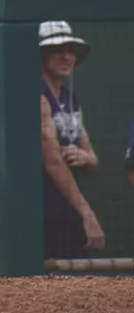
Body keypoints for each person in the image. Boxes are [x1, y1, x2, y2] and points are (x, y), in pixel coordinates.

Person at [37, 20, 105, 258]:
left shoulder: (71, 99)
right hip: (40, 209)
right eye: (57, 50)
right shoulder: (37, 97)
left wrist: (84, 156)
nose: (66, 57)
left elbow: (94, 160)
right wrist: (87, 214)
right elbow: (52, 162)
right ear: (41, 55)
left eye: (70, 51)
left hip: (68, 205)